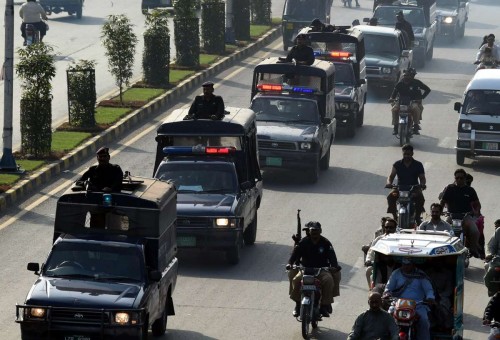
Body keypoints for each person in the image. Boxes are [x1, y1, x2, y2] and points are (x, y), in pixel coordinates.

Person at [286, 221, 341, 318]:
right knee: (296, 280)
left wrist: (334, 267)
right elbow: (294, 255)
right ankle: (298, 305)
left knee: (329, 280)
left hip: (321, 270)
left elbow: (333, 258)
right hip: (305, 269)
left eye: (316, 230)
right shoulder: (303, 242)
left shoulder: (326, 243)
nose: (314, 232)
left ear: (320, 231)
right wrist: (289, 264)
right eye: (312, 230)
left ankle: (324, 305)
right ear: (309, 231)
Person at [383, 257, 436, 340]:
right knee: (387, 317)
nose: (405, 267)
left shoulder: (421, 275)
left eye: (408, 265)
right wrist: (387, 293)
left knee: (424, 320)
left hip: (417, 305)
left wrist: (430, 298)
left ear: (413, 265)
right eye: (404, 264)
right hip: (398, 304)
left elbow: (428, 290)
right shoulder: (396, 273)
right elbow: (388, 287)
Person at [440, 168, 481, 258]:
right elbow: (442, 202)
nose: (459, 180)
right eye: (457, 178)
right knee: (442, 231)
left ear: (465, 179)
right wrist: (439, 211)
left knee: (475, 231)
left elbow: (477, 204)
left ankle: (473, 249)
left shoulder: (470, 190)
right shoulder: (449, 188)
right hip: (451, 216)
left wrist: (476, 212)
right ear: (455, 178)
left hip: (465, 216)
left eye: (461, 178)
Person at [385, 144, 426, 224]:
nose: (406, 156)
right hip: (399, 188)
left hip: (414, 188)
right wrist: (389, 183)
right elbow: (391, 176)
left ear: (412, 154)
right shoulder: (397, 164)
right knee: (390, 196)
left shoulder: (418, 165)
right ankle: (394, 216)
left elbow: (422, 178)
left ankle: (417, 217)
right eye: (405, 154)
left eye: (408, 154)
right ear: (402, 154)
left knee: (420, 198)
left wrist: (422, 184)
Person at [389, 68, 431, 135]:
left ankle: (416, 125)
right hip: (401, 102)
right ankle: (395, 127)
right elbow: (394, 94)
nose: (406, 77)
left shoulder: (417, 83)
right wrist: (391, 98)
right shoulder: (400, 83)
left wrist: (421, 98)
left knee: (416, 108)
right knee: (394, 109)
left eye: (409, 75)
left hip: (413, 102)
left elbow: (428, 90)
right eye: (405, 75)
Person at [365, 218, 398, 288]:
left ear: (395, 228)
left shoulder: (400, 240)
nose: (388, 229)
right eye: (386, 227)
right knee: (370, 271)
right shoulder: (378, 239)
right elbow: (371, 252)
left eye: (391, 227)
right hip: (381, 265)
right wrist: (368, 261)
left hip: (396, 265)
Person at [484, 226, 500, 296]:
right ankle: (492, 289)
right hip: (498, 261)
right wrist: (489, 254)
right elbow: (491, 246)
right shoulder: (499, 231)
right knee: (487, 266)